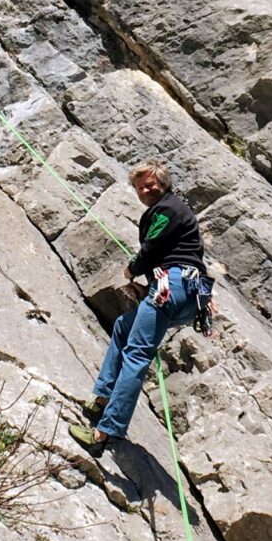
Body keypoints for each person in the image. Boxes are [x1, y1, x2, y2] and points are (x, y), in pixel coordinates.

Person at [68, 159, 208, 455]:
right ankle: (104, 398)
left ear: (165, 184)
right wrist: (149, 289)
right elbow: (175, 255)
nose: (146, 190)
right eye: (140, 187)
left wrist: (132, 270)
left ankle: (104, 433)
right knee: (124, 326)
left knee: (137, 354)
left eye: (151, 184)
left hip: (174, 284)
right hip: (186, 293)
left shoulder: (168, 209)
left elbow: (152, 248)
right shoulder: (175, 211)